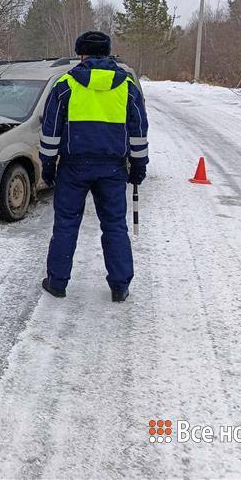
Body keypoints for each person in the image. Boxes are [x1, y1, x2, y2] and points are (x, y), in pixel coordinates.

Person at [38, 31, 148, 302]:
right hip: (112, 169)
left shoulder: (65, 85)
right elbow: (139, 132)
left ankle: (57, 282)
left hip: (73, 167)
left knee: (66, 224)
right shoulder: (127, 86)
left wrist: (48, 165)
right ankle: (120, 286)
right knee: (114, 226)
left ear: (81, 54)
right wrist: (138, 165)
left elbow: (50, 132)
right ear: (107, 53)